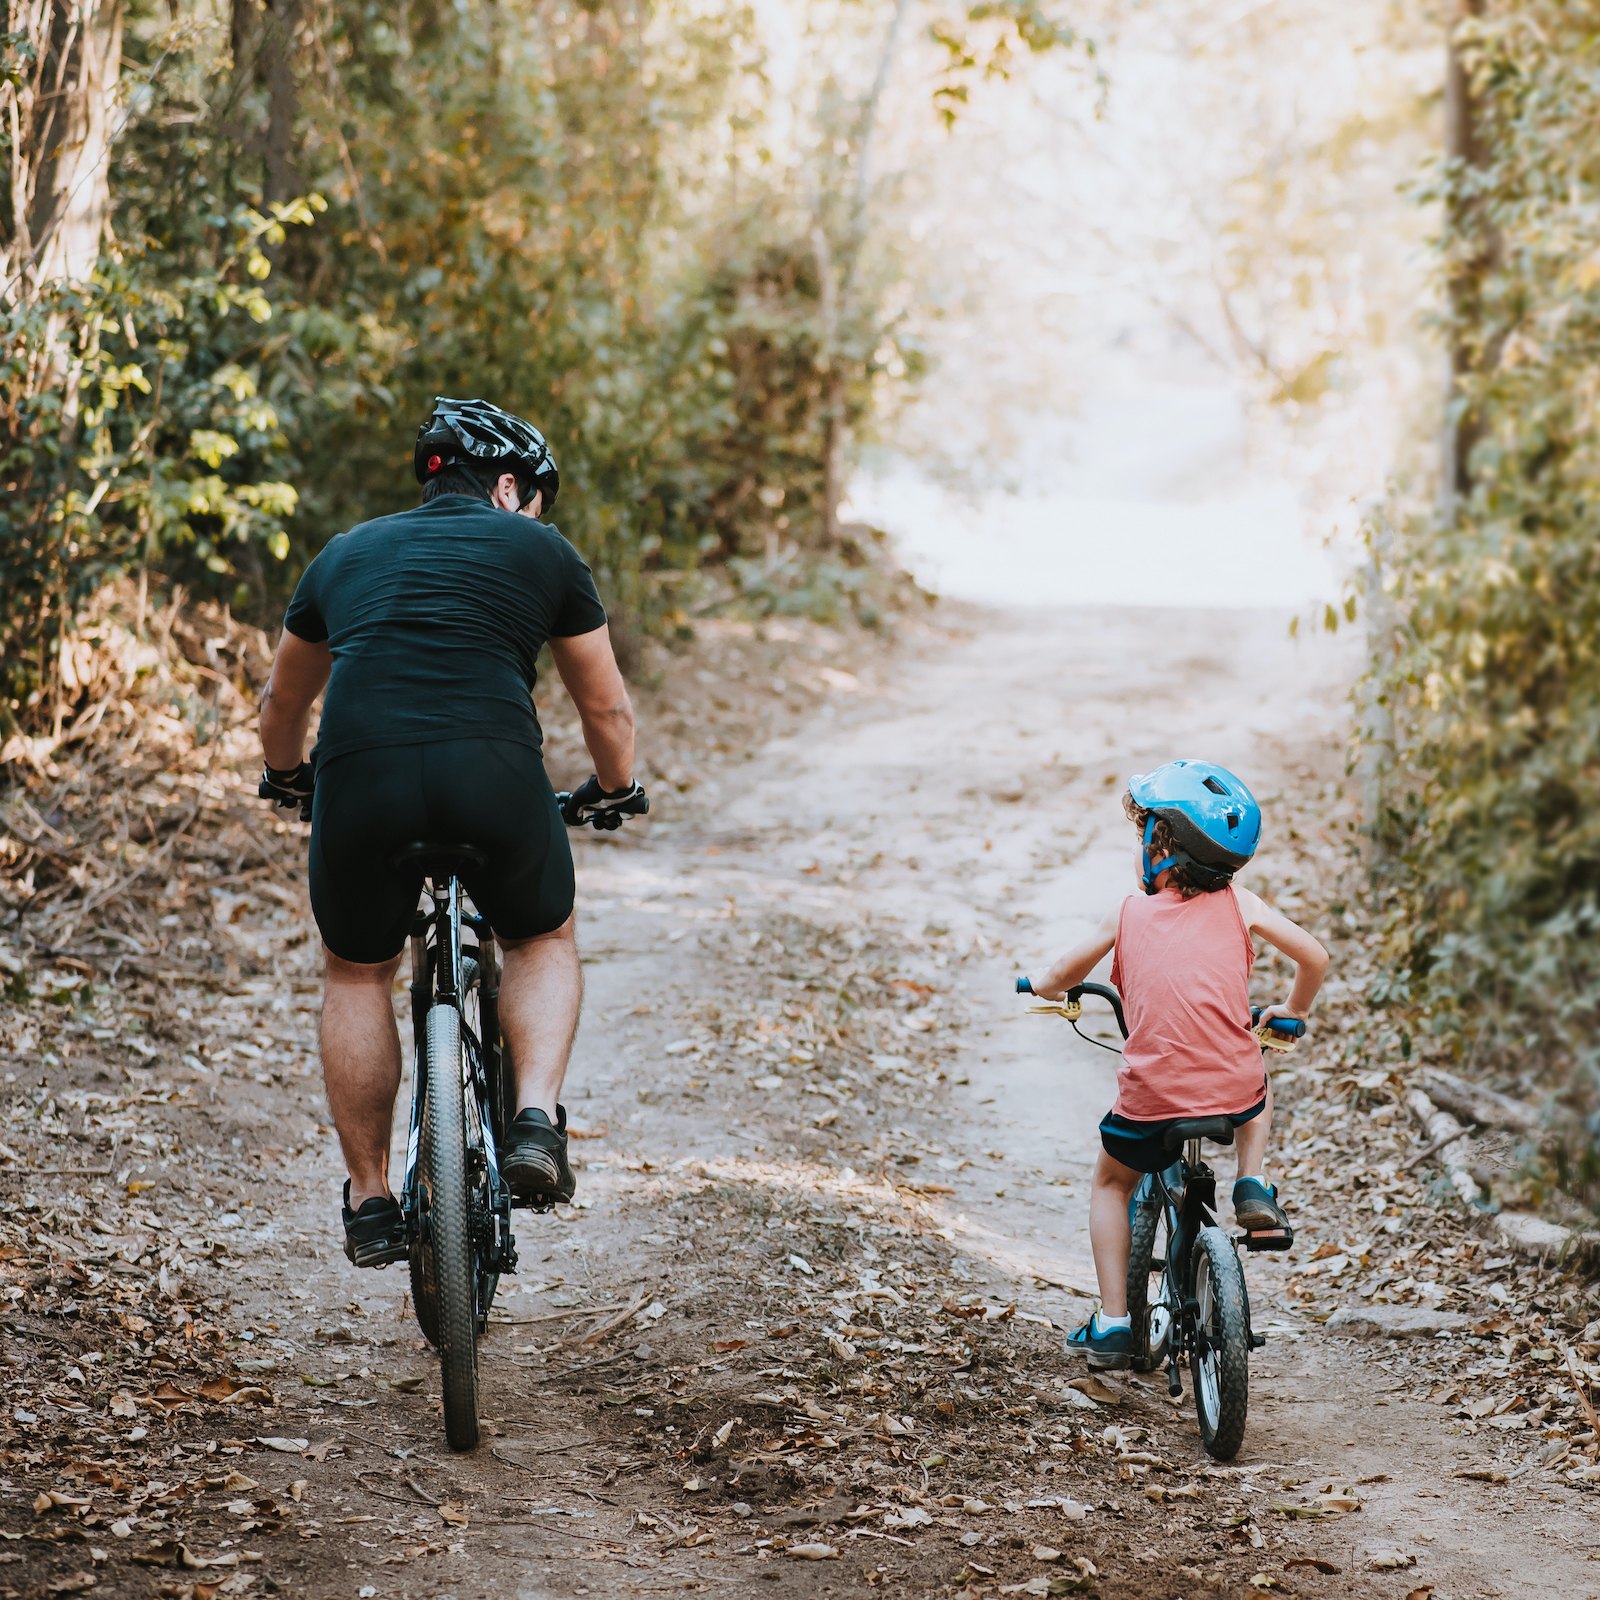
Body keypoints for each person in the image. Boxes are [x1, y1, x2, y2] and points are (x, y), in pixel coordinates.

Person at [256, 397, 647, 1268]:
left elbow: (284, 703)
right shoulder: (544, 552)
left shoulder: (344, 554)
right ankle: (536, 1121)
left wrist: (288, 775)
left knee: (356, 970)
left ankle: (369, 1199)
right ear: (508, 486)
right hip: (492, 773)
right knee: (541, 936)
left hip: (362, 778)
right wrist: (615, 788)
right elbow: (607, 706)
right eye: (534, 496)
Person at [1026, 760, 1328, 1371]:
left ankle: (1113, 1322)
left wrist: (1041, 986)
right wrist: (1291, 1011)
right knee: (1255, 1081)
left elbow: (1060, 975)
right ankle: (1251, 1182)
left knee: (1112, 1182)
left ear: (1158, 843)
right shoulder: (1243, 904)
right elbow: (1315, 957)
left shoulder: (1127, 914)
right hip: (1232, 1090)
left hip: (1152, 1102)